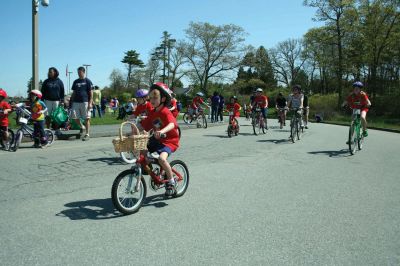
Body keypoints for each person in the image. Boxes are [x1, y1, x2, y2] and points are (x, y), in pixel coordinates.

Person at [140, 82, 179, 196]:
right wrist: (130, 131)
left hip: (169, 141)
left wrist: (162, 131)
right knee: (142, 152)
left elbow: (173, 124)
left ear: (163, 98)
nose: (152, 100)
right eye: (150, 97)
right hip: (157, 140)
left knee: (162, 159)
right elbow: (144, 125)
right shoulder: (152, 112)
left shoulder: (165, 111)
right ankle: (152, 171)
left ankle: (171, 182)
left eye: (155, 97)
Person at [70, 66, 93, 141]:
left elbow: (91, 93)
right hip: (76, 102)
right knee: (74, 117)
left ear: (83, 72)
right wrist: (71, 101)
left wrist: (90, 103)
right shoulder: (75, 81)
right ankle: (82, 127)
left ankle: (87, 134)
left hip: (85, 102)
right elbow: (73, 92)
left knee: (87, 118)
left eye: (80, 72)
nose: (79, 74)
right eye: (78, 72)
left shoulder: (87, 81)